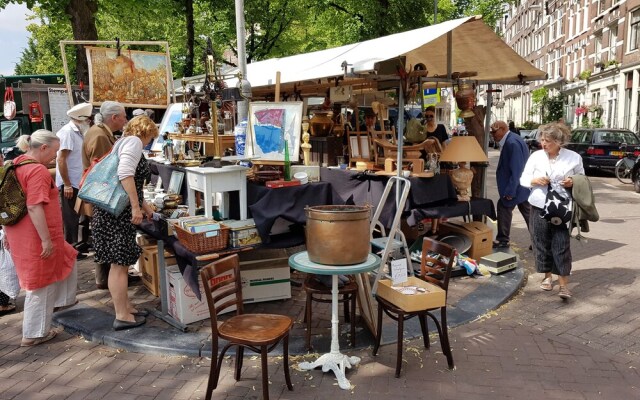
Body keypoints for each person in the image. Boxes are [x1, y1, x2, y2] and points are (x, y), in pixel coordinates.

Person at [4, 130, 78, 346]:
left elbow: (7, 201)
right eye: (55, 152)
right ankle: (34, 334)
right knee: (40, 284)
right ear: (43, 148)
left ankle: (62, 301)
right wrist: (46, 240)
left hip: (19, 231)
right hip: (36, 234)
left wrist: (6, 231)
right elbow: (34, 206)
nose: (56, 157)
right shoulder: (37, 171)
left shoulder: (15, 163)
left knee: (68, 256)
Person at [91, 115, 158, 330]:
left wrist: (145, 207)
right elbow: (125, 175)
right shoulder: (135, 142)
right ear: (146, 132)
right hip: (117, 215)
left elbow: (132, 182)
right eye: (151, 138)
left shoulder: (122, 141)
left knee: (119, 263)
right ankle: (122, 315)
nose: (149, 142)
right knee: (119, 265)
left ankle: (127, 307)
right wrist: (137, 207)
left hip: (112, 212)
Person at [520, 122, 584, 300]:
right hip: (539, 204)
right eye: (542, 140)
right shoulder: (536, 156)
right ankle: (547, 276)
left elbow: (582, 178)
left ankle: (563, 285)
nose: (543, 144)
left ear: (558, 141)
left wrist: (572, 182)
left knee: (562, 243)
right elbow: (523, 179)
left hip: (563, 206)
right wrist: (535, 181)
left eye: (547, 141)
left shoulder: (573, 157)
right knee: (541, 241)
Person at [80, 101, 127, 290]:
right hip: (101, 195)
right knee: (106, 238)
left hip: (99, 194)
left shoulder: (99, 131)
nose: (125, 120)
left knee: (102, 238)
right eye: (123, 116)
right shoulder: (100, 135)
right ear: (114, 117)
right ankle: (107, 279)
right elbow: (104, 171)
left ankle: (106, 278)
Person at [56, 102, 93, 249]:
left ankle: (79, 245)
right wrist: (67, 183)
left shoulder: (78, 132)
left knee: (81, 215)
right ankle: (70, 247)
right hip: (71, 182)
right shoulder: (67, 132)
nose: (89, 122)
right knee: (70, 217)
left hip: (79, 181)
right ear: (81, 119)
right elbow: (61, 158)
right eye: (87, 119)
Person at [490, 120, 531, 249]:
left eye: (494, 131)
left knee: (504, 208)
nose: (492, 134)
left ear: (503, 129)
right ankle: (539, 240)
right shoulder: (512, 139)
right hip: (521, 186)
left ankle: (503, 240)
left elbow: (517, 169)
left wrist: (510, 191)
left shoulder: (512, 143)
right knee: (528, 212)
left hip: (516, 186)